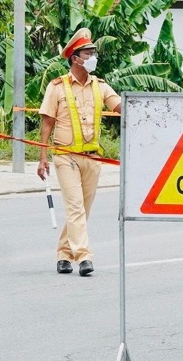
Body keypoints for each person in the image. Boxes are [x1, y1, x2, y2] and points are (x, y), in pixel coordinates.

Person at [38, 28, 121, 277]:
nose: (93, 56)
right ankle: (83, 257)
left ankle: (64, 254)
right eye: (88, 52)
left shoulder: (101, 86)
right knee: (75, 208)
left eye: (93, 52)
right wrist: (43, 158)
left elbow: (119, 106)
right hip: (65, 157)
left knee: (82, 210)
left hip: (92, 159)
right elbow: (47, 124)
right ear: (75, 58)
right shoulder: (57, 87)